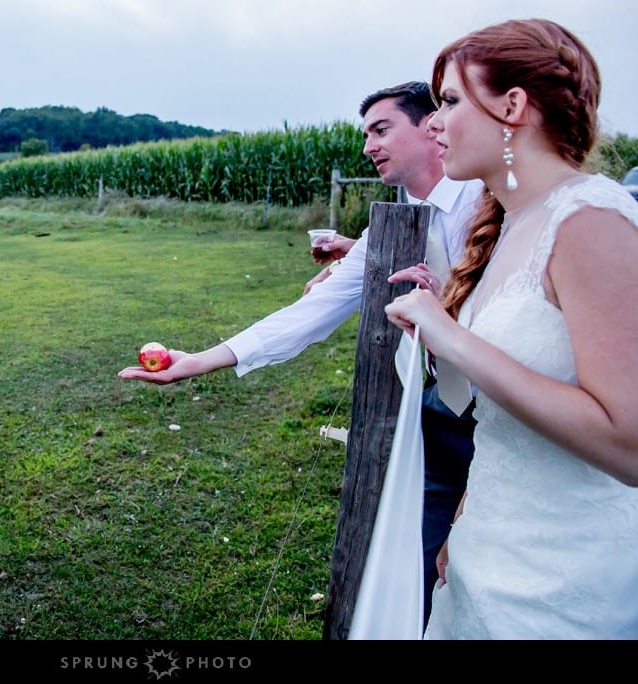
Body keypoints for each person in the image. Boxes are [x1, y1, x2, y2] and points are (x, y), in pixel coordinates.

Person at [118, 81, 484, 626]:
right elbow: (312, 311)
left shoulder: (487, 203)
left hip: (502, 420)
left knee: (472, 569)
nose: (368, 147)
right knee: (424, 563)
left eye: (381, 130)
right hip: (440, 412)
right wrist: (204, 359)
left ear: (432, 127)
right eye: (366, 134)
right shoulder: (396, 216)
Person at [384, 18, 638, 638]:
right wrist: (463, 524)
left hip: (562, 576)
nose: (434, 122)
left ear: (513, 106)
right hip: (486, 552)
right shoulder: (511, 221)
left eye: (447, 101)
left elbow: (628, 445)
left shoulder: (592, 221)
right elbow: (501, 422)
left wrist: (447, 335)